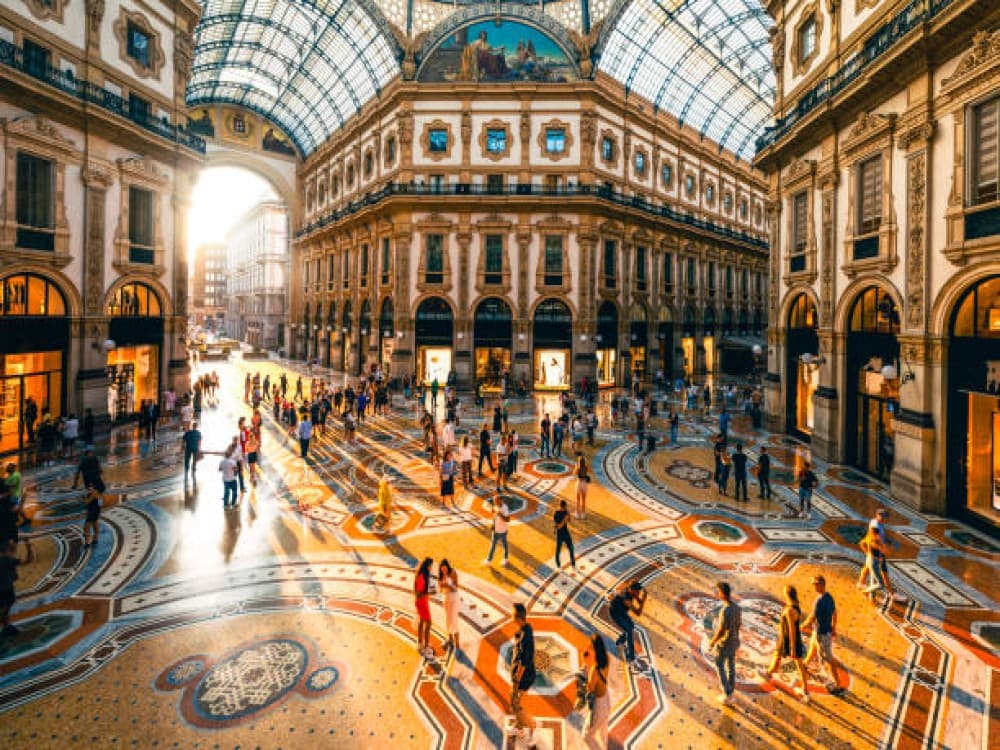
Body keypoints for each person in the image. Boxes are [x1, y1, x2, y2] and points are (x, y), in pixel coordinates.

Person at [761, 585, 811, 702]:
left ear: (787, 595)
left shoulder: (789, 610)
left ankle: (806, 691)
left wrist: (792, 647)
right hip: (788, 638)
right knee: (777, 655)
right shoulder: (796, 606)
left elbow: (792, 629)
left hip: (788, 639)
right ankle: (769, 672)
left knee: (799, 665)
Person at [801, 574, 846, 695]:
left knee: (828, 659)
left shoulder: (819, 601)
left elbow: (812, 617)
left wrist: (803, 625)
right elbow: (835, 612)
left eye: (815, 584)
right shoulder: (829, 597)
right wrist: (834, 627)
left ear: (821, 585)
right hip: (822, 632)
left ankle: (837, 684)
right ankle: (805, 664)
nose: (814, 587)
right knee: (813, 647)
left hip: (821, 634)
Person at [707, 581, 741, 706]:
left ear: (722, 594)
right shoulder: (737, 608)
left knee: (719, 665)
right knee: (731, 666)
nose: (716, 593)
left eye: (718, 592)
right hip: (735, 641)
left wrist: (712, 642)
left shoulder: (725, 611)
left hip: (724, 644)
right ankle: (730, 690)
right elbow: (739, 624)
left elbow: (721, 631)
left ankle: (727, 694)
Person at [509, 603, 537, 749]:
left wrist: (516, 682)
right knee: (514, 703)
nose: (510, 616)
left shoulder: (526, 637)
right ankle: (519, 729)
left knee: (517, 704)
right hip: (521, 676)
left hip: (524, 678)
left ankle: (532, 726)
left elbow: (524, 663)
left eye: (512, 614)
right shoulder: (524, 629)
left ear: (519, 618)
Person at [609, 579, 647, 671]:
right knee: (629, 631)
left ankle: (620, 642)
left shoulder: (631, 591)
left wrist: (641, 597)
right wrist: (644, 599)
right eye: (637, 591)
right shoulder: (626, 599)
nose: (638, 593)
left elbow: (639, 602)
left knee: (631, 626)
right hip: (615, 614)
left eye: (639, 591)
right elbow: (638, 612)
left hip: (621, 612)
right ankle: (631, 659)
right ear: (631, 590)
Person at [582, 632, 611, 749]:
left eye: (590, 647)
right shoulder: (607, 658)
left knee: (587, 736)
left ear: (594, 649)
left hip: (599, 706)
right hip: (607, 699)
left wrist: (586, 665)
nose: (588, 649)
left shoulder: (594, 670)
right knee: (603, 732)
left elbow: (589, 688)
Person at [414, 557, 434, 659]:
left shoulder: (422, 574)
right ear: (428, 566)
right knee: (428, 623)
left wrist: (429, 593)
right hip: (422, 603)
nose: (432, 568)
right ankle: (426, 648)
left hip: (422, 602)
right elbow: (418, 594)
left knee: (422, 622)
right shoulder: (422, 576)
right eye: (431, 566)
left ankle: (420, 644)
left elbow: (421, 592)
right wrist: (429, 593)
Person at [438, 559, 460, 651]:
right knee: (447, 620)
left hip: (454, 598)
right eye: (442, 570)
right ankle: (450, 639)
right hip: (446, 598)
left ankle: (457, 643)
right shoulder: (441, 576)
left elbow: (456, 588)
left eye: (445, 569)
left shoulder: (453, 572)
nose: (444, 571)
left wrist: (448, 586)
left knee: (454, 620)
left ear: (447, 566)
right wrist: (442, 586)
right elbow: (440, 590)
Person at [483, 492, 510, 567]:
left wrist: (500, 514)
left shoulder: (505, 508)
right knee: (493, 545)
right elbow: (493, 512)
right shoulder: (496, 506)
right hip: (495, 530)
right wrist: (492, 510)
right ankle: (489, 560)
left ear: (501, 500)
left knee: (505, 545)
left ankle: (505, 559)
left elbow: (508, 519)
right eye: (494, 501)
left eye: (496, 501)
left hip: (502, 531)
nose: (495, 503)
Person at [553, 499, 576, 571]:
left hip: (566, 533)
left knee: (571, 549)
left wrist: (569, 515)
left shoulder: (566, 512)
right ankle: (558, 566)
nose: (566, 508)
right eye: (565, 507)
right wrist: (564, 519)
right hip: (559, 534)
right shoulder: (556, 513)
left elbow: (569, 520)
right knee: (558, 551)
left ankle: (573, 564)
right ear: (562, 507)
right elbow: (559, 526)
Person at [575, 455, 591, 520]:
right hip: (584, 483)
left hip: (579, 483)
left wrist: (576, 466)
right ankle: (583, 514)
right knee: (583, 500)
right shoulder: (586, 467)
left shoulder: (578, 468)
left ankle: (577, 514)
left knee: (578, 499)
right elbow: (590, 471)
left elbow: (574, 473)